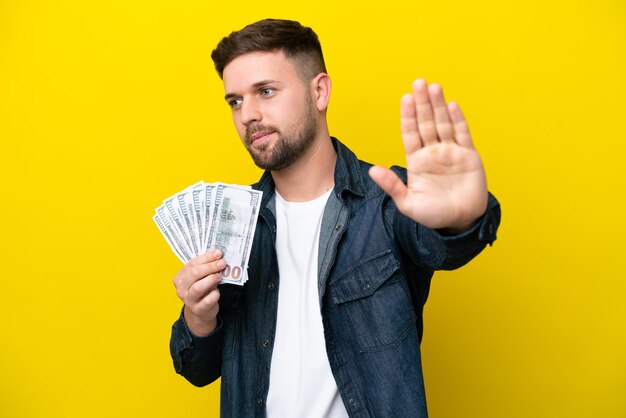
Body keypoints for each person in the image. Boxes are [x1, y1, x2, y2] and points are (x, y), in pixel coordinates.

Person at [169, 18, 500, 418]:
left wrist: (460, 219)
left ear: (320, 92)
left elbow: (444, 244)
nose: (248, 115)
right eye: (235, 101)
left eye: (266, 91)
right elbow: (197, 369)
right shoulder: (233, 225)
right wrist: (198, 316)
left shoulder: (388, 202)